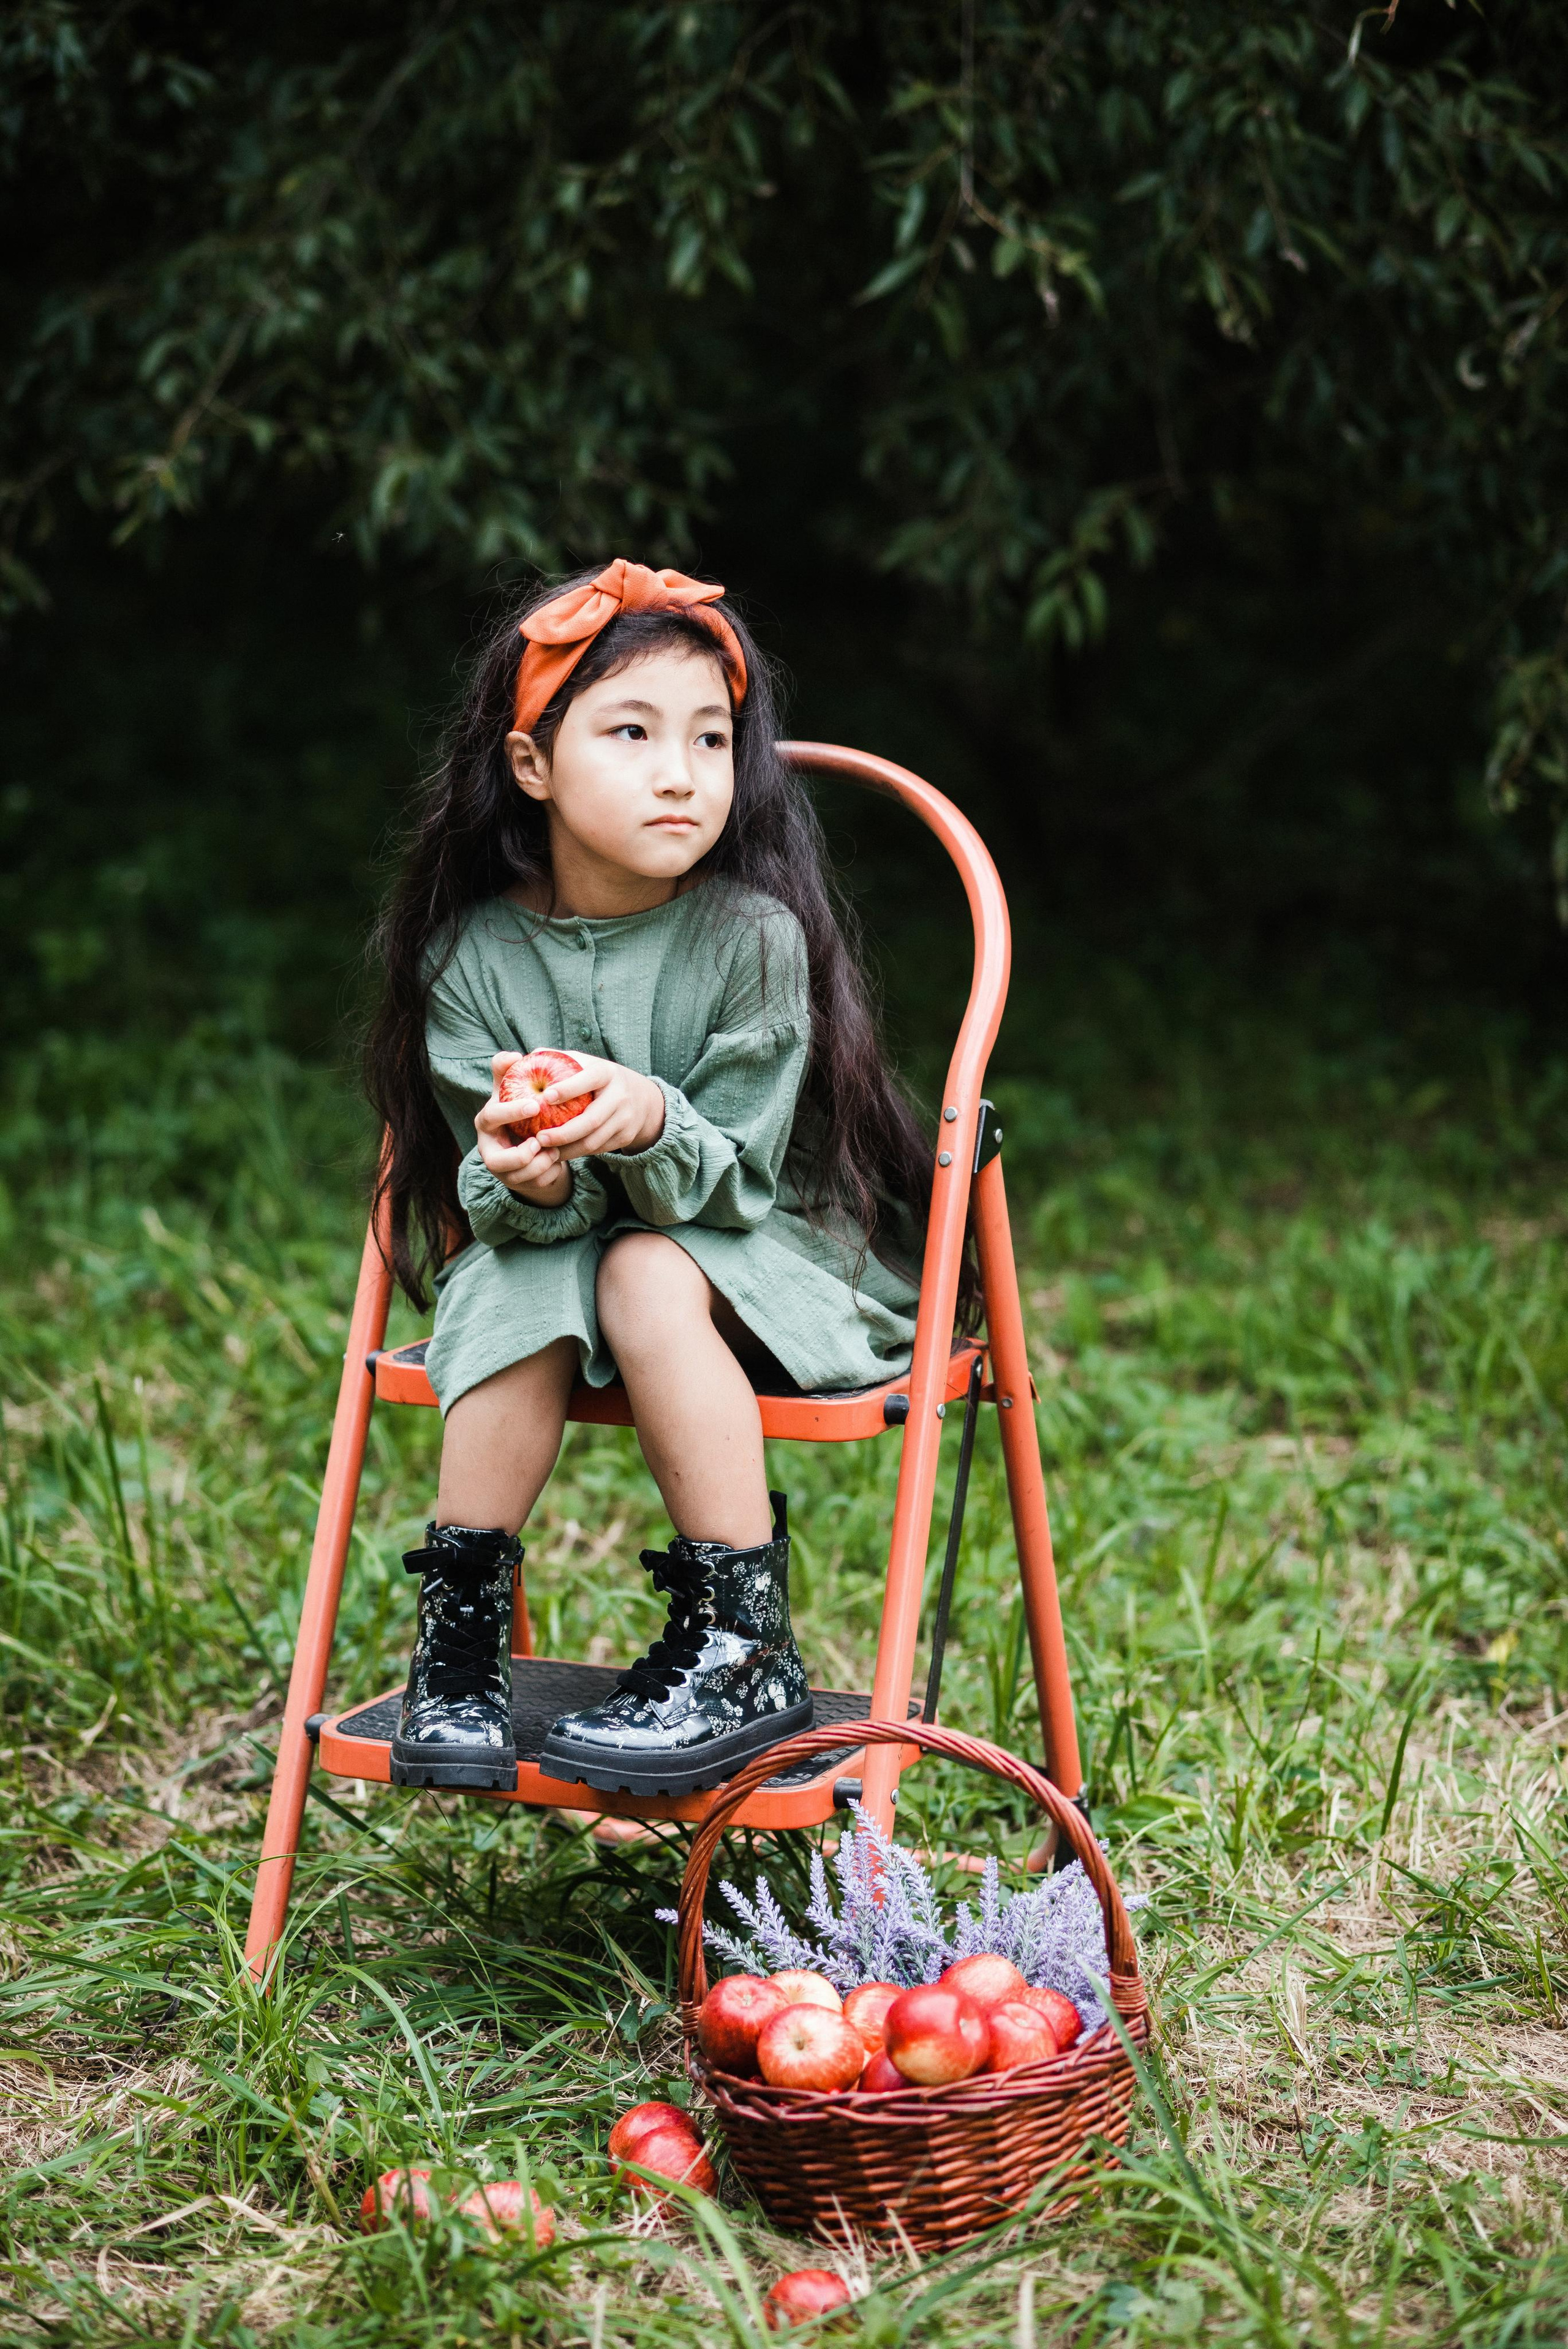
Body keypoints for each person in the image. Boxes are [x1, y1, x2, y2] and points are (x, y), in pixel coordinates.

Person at [364, 559, 933, 1800]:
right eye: (631, 732)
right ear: (532, 766)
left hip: (771, 1254)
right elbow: (510, 1204)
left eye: (711, 738)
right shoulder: (473, 956)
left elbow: (725, 1188)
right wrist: (520, 1165)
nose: (682, 772)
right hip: (580, 1258)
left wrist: (642, 1117)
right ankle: (459, 1647)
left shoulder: (751, 939)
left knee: (638, 1262)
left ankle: (741, 1646)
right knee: (521, 1268)